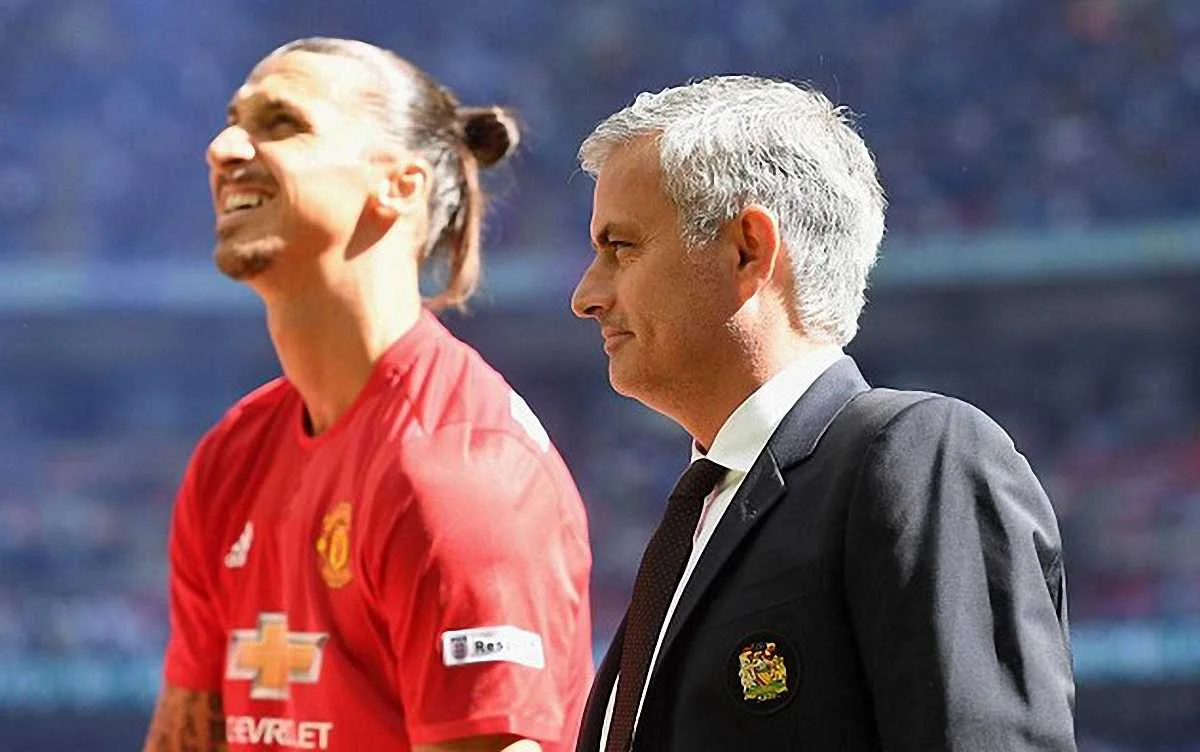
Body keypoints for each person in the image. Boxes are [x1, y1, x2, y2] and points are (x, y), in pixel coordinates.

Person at [570, 76, 1075, 751]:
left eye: (621, 247)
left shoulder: (916, 455)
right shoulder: (698, 516)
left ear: (748, 249)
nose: (586, 295)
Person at [142, 37, 593, 752]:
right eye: (232, 123)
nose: (222, 149)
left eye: (281, 123)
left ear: (400, 186)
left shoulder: (460, 471)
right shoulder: (231, 457)